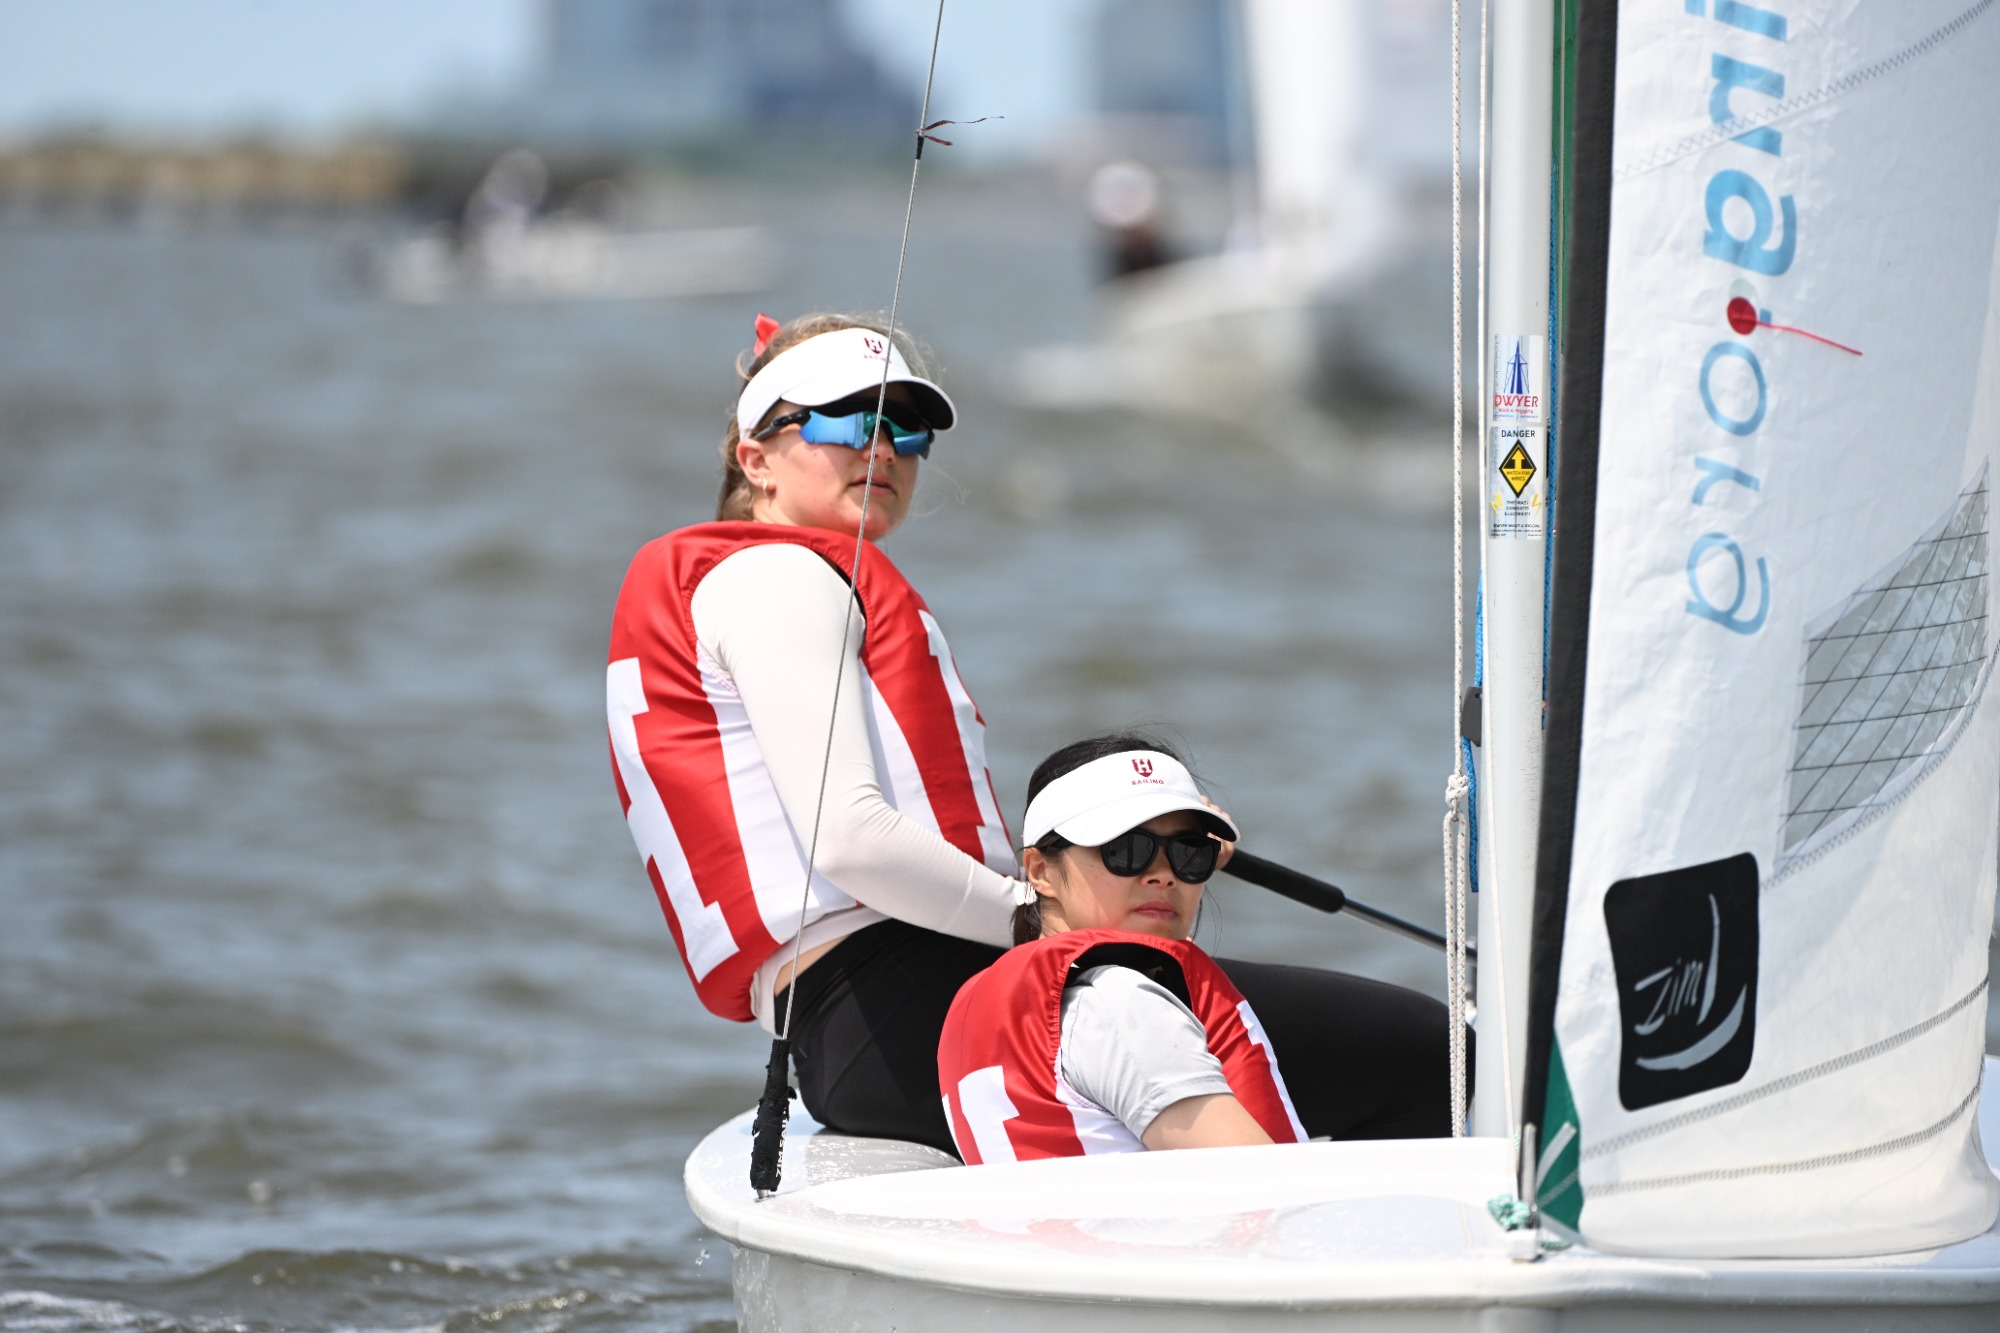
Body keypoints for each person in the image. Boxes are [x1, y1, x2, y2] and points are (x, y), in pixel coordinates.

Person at [608, 314, 1451, 1157]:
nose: (887, 448)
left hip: (861, 1036)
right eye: (852, 422)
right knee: (1431, 1052)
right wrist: (1039, 914)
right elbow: (849, 839)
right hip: (910, 1006)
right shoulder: (781, 577)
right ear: (756, 458)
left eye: (908, 428)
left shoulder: (746, 581)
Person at [939, 739, 1306, 1161]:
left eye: (1189, 853)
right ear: (1040, 870)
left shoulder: (993, 1009)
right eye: (1126, 850)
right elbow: (1262, 1181)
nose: (1164, 876)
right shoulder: (1120, 1005)